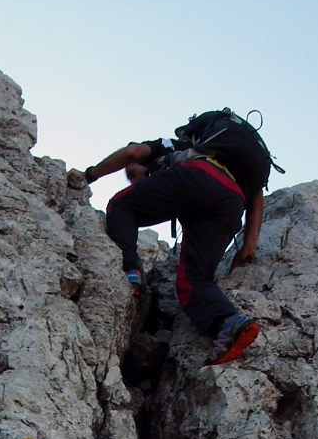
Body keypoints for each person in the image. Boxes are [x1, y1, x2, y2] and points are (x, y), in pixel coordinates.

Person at [68, 109, 276, 366]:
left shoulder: (178, 147)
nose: (135, 181)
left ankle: (130, 271)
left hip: (199, 177)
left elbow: (133, 152)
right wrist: (249, 245)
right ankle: (229, 322)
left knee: (123, 205)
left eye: (134, 175)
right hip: (231, 202)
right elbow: (255, 195)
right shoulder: (233, 159)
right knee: (194, 281)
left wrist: (90, 175)